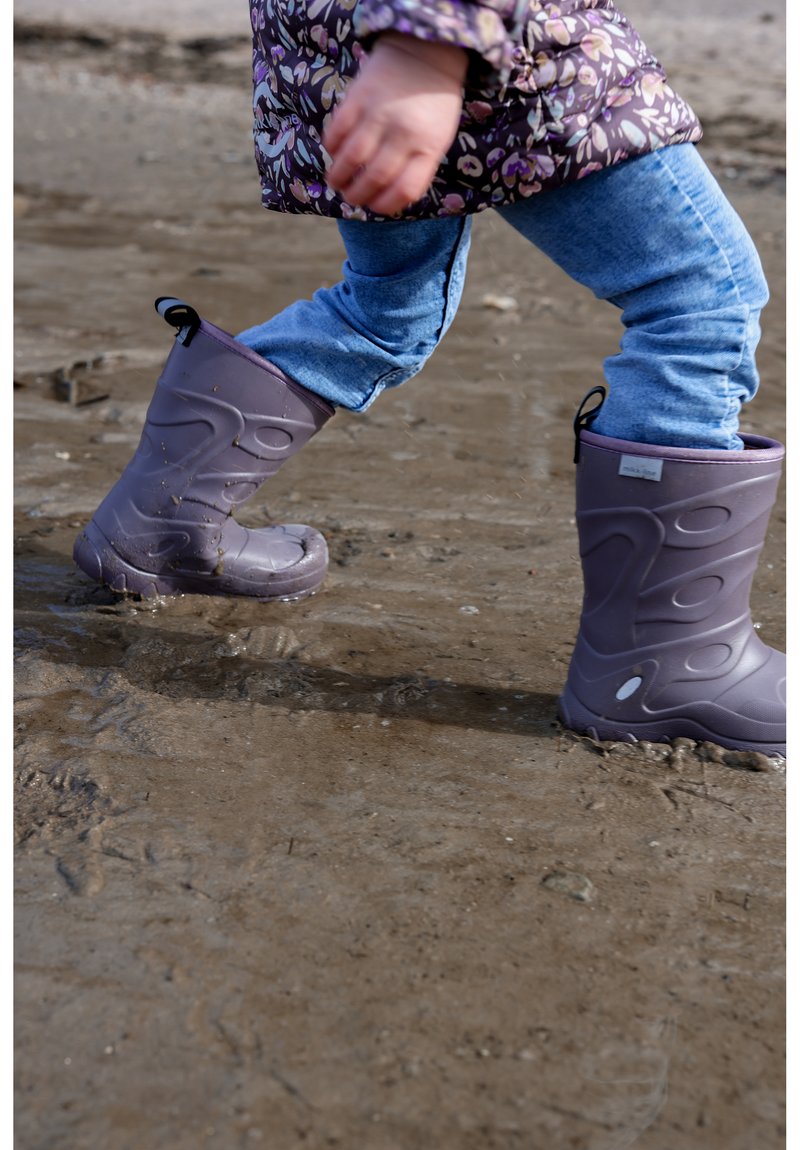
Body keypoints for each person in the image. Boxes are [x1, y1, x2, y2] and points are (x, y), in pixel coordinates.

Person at [72, 0, 785, 757]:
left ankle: (157, 520)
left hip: (347, 44)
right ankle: (664, 667)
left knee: (386, 309)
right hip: (482, 47)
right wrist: (427, 42)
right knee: (700, 295)